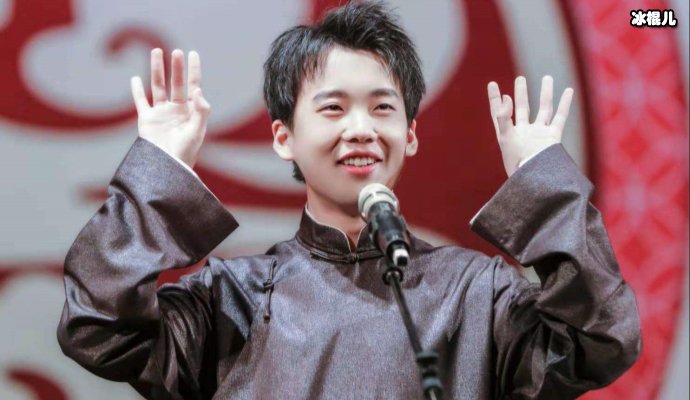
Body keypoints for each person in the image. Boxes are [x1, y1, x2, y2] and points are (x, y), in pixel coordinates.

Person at [56, 2, 641, 399]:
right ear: (283, 137)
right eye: (333, 108)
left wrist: (544, 188)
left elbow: (602, 340)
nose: (361, 129)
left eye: (382, 108)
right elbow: (97, 326)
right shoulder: (230, 300)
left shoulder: (476, 293)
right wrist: (159, 172)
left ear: (410, 134)